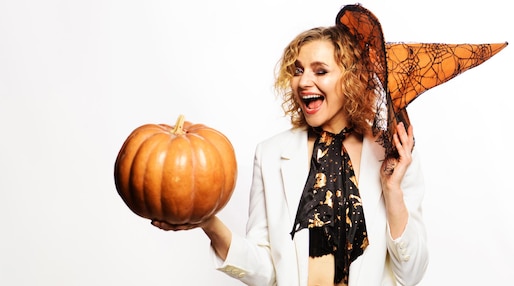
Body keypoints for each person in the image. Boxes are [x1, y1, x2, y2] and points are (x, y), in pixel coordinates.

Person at [152, 6, 429, 286]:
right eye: (298, 71)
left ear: (352, 79)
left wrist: (392, 190)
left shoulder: (391, 155)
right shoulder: (271, 154)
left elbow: (411, 274)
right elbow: (265, 271)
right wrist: (208, 223)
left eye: (320, 71)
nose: (304, 82)